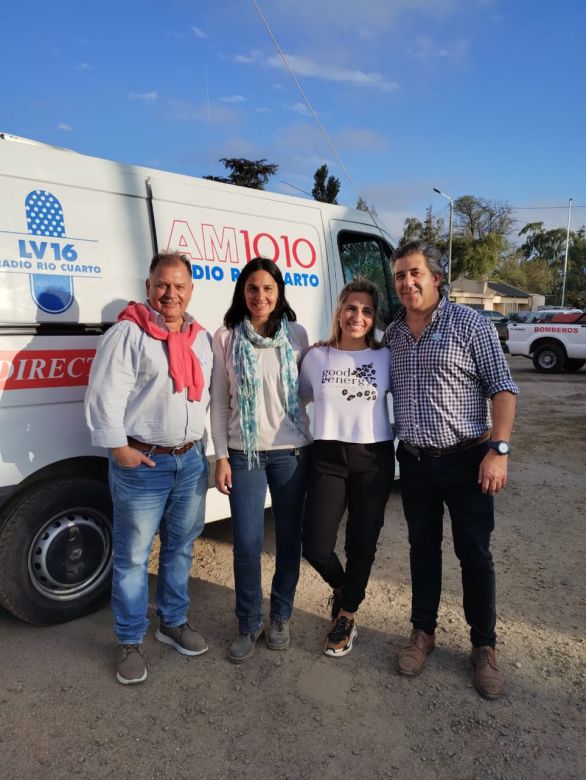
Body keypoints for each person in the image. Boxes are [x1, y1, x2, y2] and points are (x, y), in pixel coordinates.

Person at [383, 241, 519, 699]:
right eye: (400, 275)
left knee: (474, 554)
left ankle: (484, 646)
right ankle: (423, 633)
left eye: (415, 273)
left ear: (436, 277)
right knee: (423, 549)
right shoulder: (394, 333)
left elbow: (503, 387)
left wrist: (498, 449)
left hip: (468, 460)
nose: (407, 282)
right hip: (416, 462)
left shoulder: (471, 325)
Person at [85, 251, 211, 685]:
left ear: (191, 290)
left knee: (180, 548)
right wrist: (119, 449)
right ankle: (130, 639)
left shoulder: (200, 338)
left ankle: (172, 621)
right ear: (148, 287)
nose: (170, 293)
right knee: (134, 557)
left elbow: (203, 399)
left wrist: (205, 449)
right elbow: (105, 395)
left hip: (189, 461)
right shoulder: (129, 332)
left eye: (179, 286)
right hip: (144, 463)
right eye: (162, 285)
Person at [210, 257, 311, 664]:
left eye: (268, 289)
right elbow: (219, 402)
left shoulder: (299, 336)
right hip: (244, 454)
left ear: (279, 292)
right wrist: (221, 456)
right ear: (242, 292)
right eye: (253, 289)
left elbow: (310, 391)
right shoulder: (226, 337)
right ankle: (248, 622)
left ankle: (281, 616)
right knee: (247, 545)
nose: (261, 296)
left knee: (289, 539)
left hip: (291, 454)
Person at [300, 278, 395, 657]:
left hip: (373, 458)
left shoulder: (385, 356)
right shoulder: (315, 357)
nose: (358, 316)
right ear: (339, 310)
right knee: (316, 545)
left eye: (367, 310)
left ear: (373, 318)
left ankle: (347, 615)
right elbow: (302, 399)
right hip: (327, 455)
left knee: (362, 544)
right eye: (351, 308)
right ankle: (343, 590)